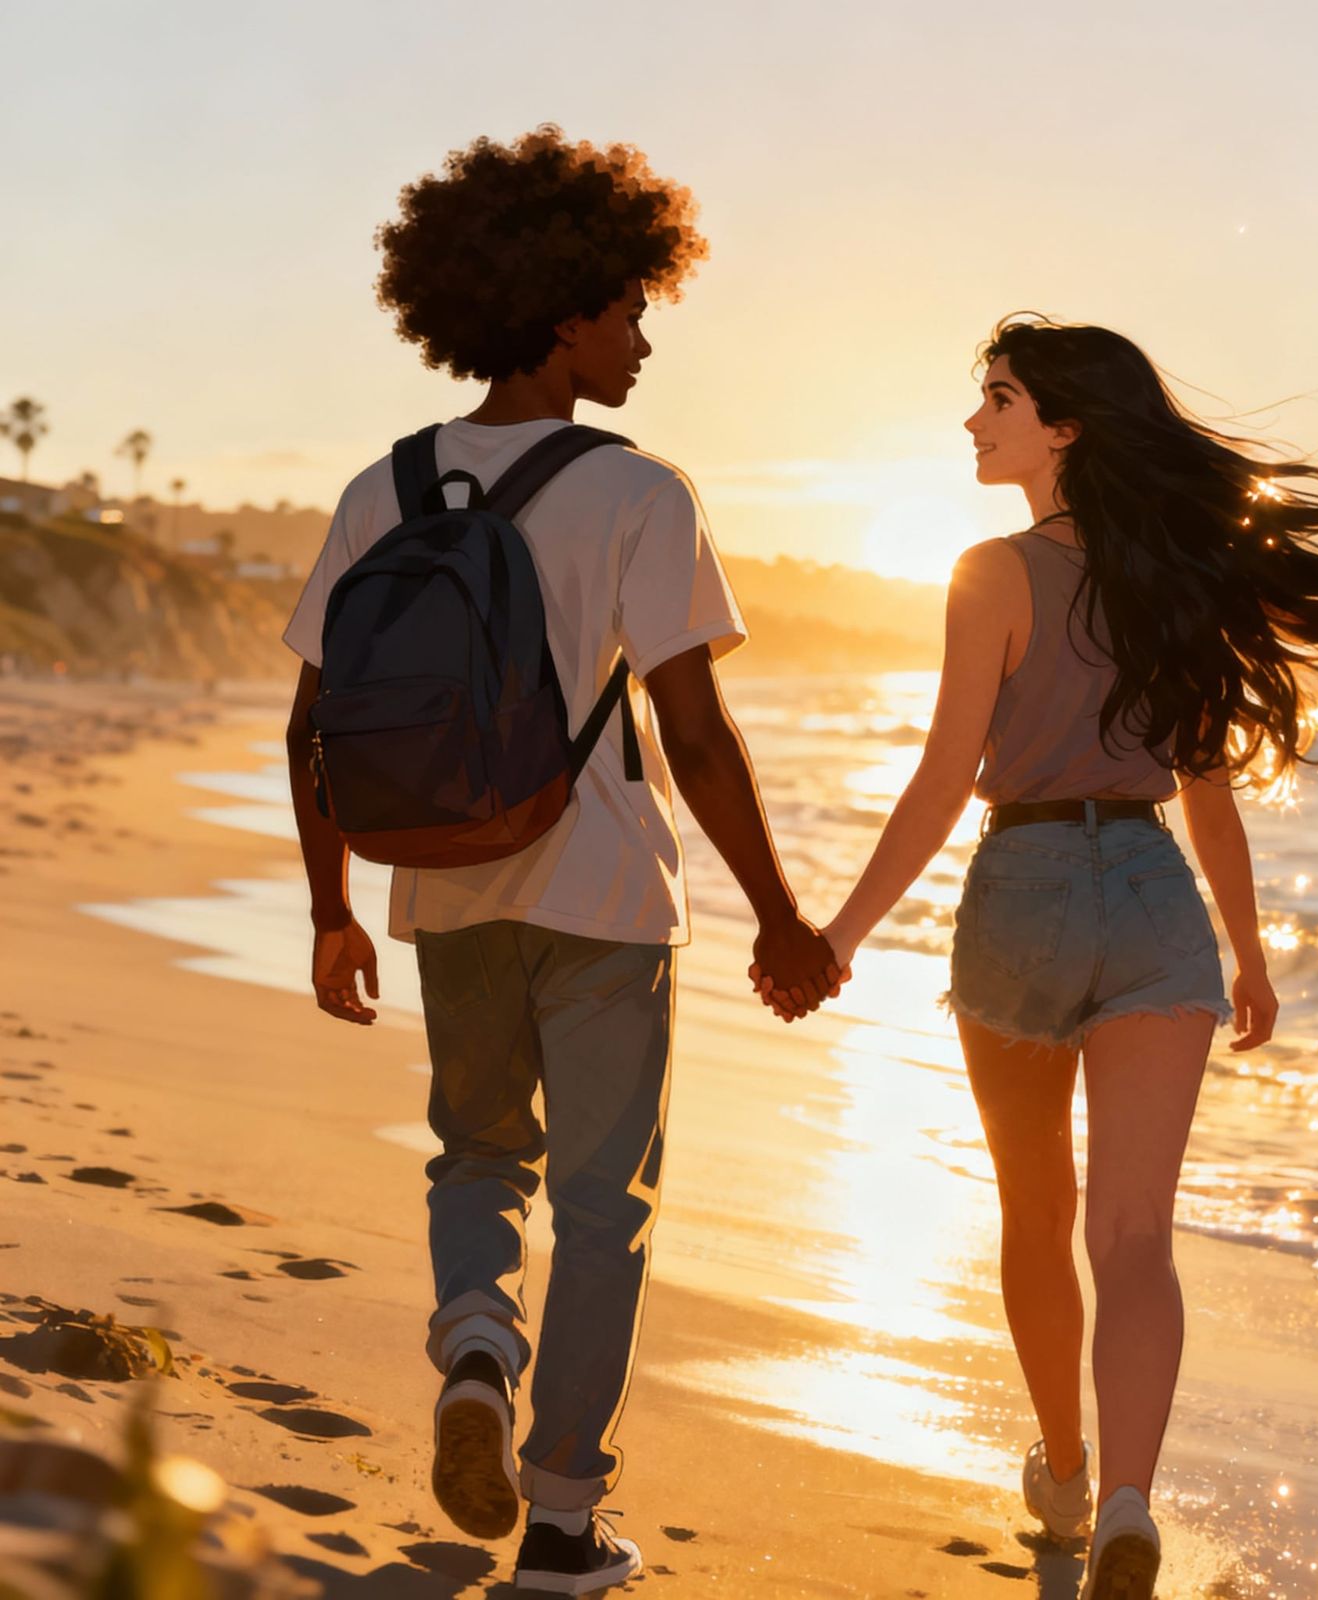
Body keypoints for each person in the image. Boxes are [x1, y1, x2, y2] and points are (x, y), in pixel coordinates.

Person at [756, 318, 1318, 1599]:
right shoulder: (1173, 579)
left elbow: (938, 783)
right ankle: (1134, 1499)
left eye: (999, 399)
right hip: (1150, 895)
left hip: (1021, 888)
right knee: (1134, 1232)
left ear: (1064, 426)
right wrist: (1246, 953)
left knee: (1036, 1212)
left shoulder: (989, 573)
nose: (976, 423)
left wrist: (838, 937)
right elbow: (1206, 791)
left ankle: (1069, 1474)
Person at [282, 128, 841, 1594]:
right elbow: (699, 739)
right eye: (627, 310)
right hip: (600, 897)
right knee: (607, 1210)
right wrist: (784, 917)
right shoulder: (639, 490)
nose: (646, 340)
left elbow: (313, 727)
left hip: (441, 890)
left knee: (479, 1155)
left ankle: (477, 1340)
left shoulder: (379, 488)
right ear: (558, 314)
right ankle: (563, 1524)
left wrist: (335, 911)